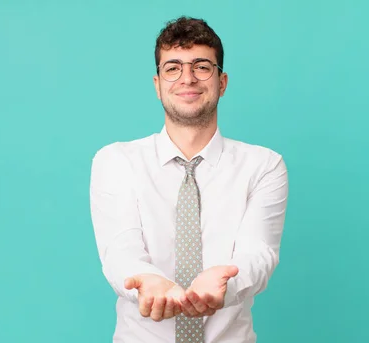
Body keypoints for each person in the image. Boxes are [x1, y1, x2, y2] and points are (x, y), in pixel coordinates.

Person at [89, 16, 289, 343]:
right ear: (157, 84)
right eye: (173, 68)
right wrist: (148, 282)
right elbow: (119, 249)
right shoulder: (116, 162)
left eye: (201, 67)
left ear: (222, 82)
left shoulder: (264, 165)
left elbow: (258, 254)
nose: (187, 78)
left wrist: (226, 285)